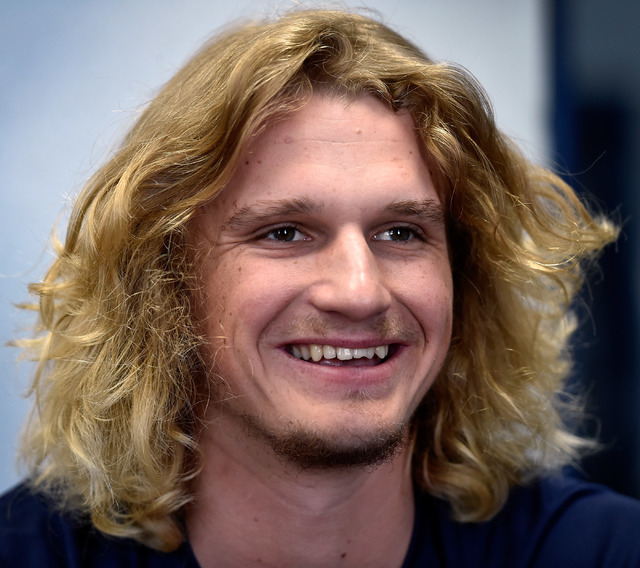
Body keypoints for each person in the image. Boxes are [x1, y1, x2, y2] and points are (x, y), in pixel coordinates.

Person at [1, 8, 639, 567]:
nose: (360, 292)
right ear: (166, 284)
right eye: (284, 233)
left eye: (401, 233)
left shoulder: (599, 550)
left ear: (462, 279)